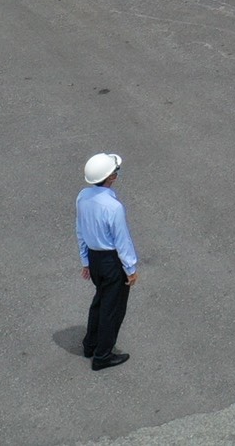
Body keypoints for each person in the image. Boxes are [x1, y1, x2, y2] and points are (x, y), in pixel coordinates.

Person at [76, 152, 138, 370]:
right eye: (115, 172)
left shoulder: (83, 197)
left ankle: (90, 344)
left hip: (94, 258)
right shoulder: (113, 207)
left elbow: (80, 230)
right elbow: (122, 241)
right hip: (111, 263)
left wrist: (85, 260)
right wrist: (130, 269)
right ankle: (102, 355)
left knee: (100, 301)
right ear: (110, 178)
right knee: (113, 308)